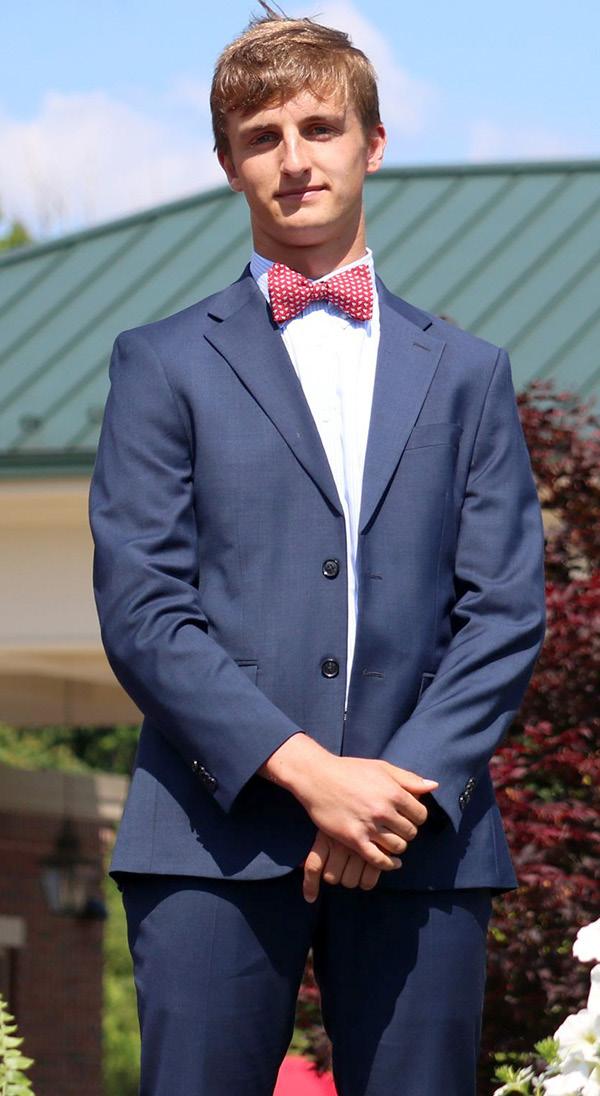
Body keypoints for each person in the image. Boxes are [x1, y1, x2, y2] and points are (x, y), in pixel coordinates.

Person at [88, 7, 546, 1095]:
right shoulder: (158, 364)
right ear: (228, 165)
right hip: (211, 839)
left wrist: (389, 794)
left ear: (372, 143)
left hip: (419, 838)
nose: (294, 159)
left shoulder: (471, 372)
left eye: (320, 127)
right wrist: (309, 775)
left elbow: (504, 610)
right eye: (262, 138)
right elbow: (145, 609)